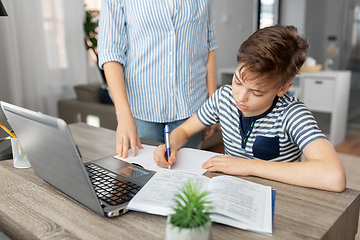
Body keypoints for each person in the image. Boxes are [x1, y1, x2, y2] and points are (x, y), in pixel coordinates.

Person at [153, 24, 346, 192]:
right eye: (237, 81)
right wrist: (171, 145)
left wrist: (248, 166)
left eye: (257, 92)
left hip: (281, 198)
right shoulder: (223, 98)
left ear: (283, 88)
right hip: (229, 190)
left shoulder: (293, 114)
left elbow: (334, 176)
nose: (240, 96)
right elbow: (186, 130)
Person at [97, 0, 218, 158]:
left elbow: (210, 45)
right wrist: (123, 115)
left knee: (185, 179)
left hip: (192, 105)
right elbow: (110, 53)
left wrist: (212, 105)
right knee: (142, 179)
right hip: (139, 112)